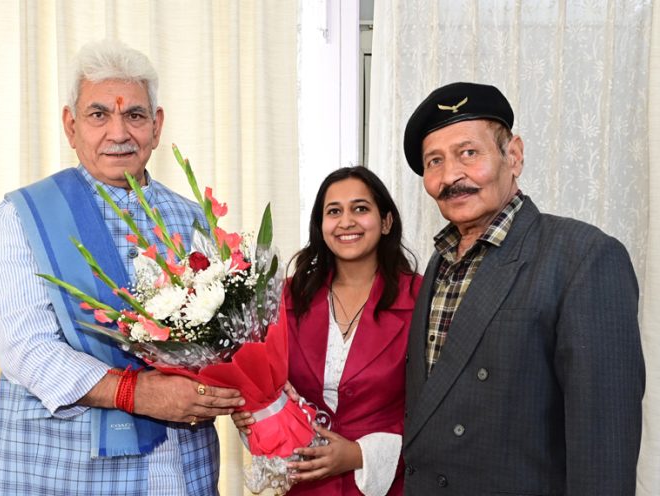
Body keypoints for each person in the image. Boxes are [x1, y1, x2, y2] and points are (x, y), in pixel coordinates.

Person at [0, 40, 244, 495]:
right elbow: (26, 348)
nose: (118, 132)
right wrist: (138, 393)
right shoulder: (25, 215)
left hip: (182, 466)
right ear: (71, 125)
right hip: (65, 469)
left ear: (157, 126)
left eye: (135, 115)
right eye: (99, 114)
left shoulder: (194, 218)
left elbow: (227, 339)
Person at [400, 81, 645, 494]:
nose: (451, 176)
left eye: (468, 153)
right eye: (434, 162)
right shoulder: (440, 261)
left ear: (513, 155)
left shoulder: (583, 258)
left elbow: (604, 453)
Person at [236, 166, 421, 495]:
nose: (346, 221)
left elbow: (441, 409)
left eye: (360, 208)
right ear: (321, 227)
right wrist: (254, 415)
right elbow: (262, 385)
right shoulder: (285, 297)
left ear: (386, 221)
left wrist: (360, 454)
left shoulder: (421, 298)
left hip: (391, 485)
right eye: (334, 211)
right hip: (306, 485)